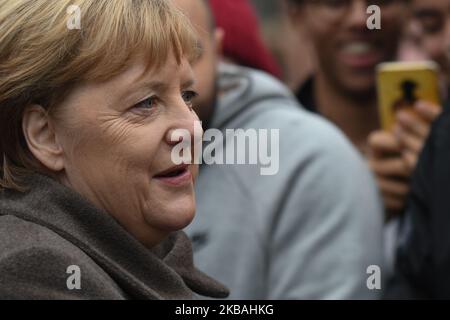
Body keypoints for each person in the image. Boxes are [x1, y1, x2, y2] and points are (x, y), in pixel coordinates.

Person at [0, 0, 228, 300]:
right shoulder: (38, 271)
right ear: (45, 135)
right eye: (146, 102)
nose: (193, 129)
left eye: (187, 95)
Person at [176, 0, 383, 299]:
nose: (171, 88)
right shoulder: (95, 168)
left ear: (218, 51)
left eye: (188, 56)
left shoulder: (310, 160)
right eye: (136, 63)